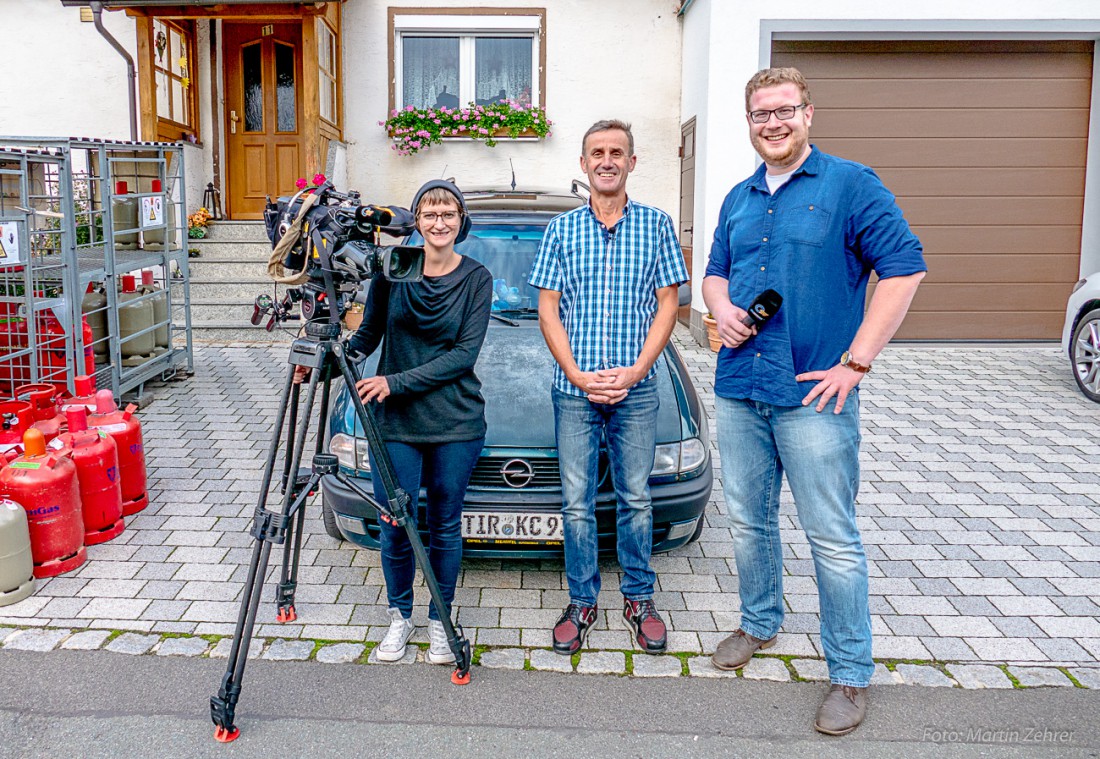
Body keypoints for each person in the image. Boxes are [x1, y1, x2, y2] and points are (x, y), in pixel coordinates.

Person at [702, 68, 926, 735]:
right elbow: (714, 273)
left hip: (813, 395)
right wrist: (721, 308)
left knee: (832, 536)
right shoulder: (739, 199)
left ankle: (851, 672)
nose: (770, 123)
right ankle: (759, 622)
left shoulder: (852, 185)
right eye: (759, 115)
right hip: (741, 386)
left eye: (782, 111)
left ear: (807, 114)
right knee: (748, 521)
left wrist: (856, 360)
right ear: (748, 123)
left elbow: (905, 267)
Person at [529, 119, 688, 656]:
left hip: (636, 390)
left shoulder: (657, 225)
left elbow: (670, 303)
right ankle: (582, 600)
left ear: (631, 162)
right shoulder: (561, 230)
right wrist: (575, 373)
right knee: (575, 503)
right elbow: (546, 307)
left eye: (616, 152)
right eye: (597, 152)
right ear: (583, 163)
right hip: (573, 390)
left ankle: (639, 599)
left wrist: (639, 370)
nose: (606, 160)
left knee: (636, 499)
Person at [346, 179, 492, 663]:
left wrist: (394, 381)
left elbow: (462, 355)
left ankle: (440, 619)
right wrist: (332, 358)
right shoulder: (391, 272)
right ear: (416, 221)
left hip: (455, 420)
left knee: (446, 525)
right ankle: (399, 617)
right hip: (398, 423)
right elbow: (367, 334)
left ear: (461, 220)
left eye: (448, 213)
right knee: (395, 521)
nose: (439, 222)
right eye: (429, 214)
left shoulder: (476, 278)